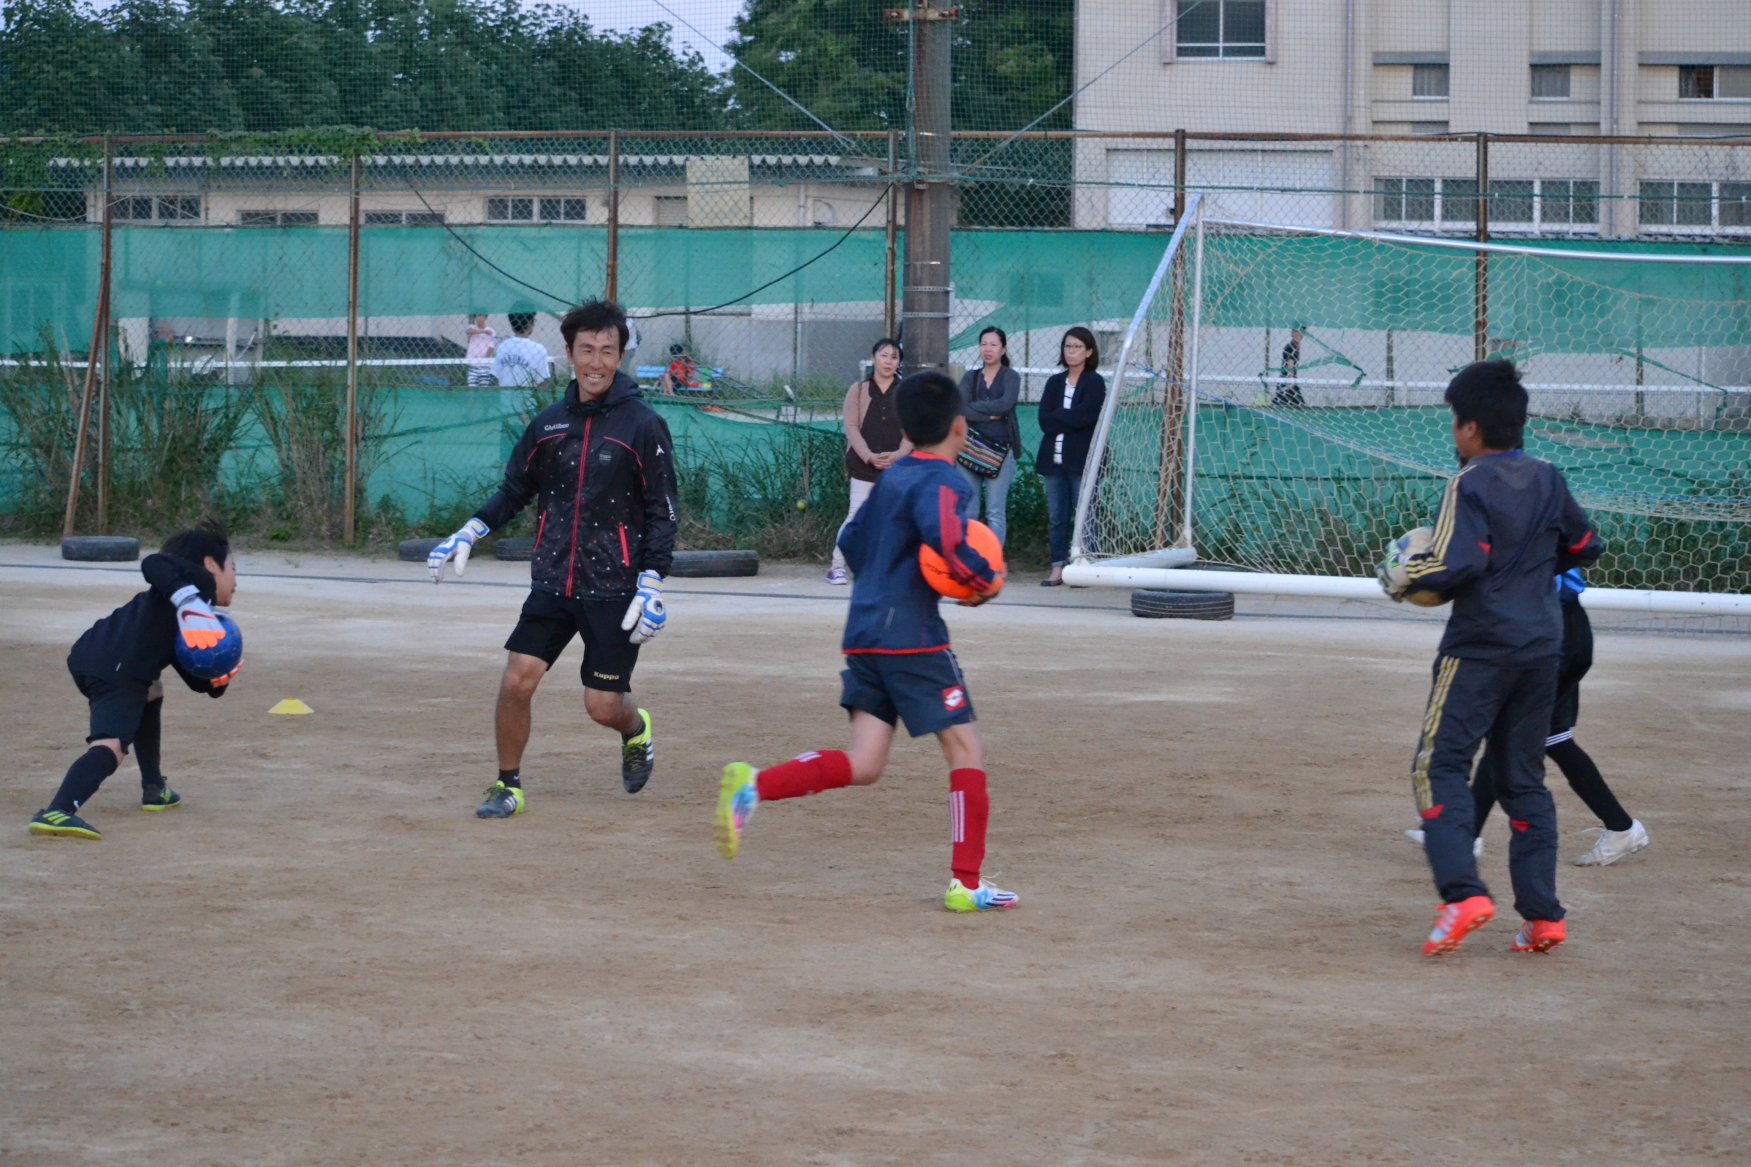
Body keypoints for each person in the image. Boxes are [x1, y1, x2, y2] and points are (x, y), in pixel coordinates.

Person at [713, 370, 1015, 912]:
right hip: (913, 640)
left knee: (865, 763)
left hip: (864, 633)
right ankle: (967, 884)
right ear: (960, 427)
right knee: (966, 749)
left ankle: (753, 786)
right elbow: (946, 543)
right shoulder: (947, 482)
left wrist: (888, 578)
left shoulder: (893, 477)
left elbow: (850, 541)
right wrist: (981, 580)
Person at [1381, 360, 1601, 957]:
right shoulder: (1549, 476)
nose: (1454, 434)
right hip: (1541, 647)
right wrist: (1528, 575)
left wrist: (1403, 576)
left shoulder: (1469, 482)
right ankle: (1542, 918)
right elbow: (1586, 544)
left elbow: (1457, 565)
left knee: (1438, 767)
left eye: (1455, 424)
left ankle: (1461, 895)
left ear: (1471, 428)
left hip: (1479, 649)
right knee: (1523, 778)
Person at [428, 300, 679, 819]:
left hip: (615, 588)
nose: (596, 361)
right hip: (552, 583)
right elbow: (515, 490)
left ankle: (636, 730)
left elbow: (663, 511)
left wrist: (652, 582)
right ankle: (507, 785)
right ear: (568, 354)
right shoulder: (547, 426)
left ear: (620, 356)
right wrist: (470, 530)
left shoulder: (643, 426)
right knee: (516, 680)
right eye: (586, 349)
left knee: (602, 706)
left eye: (607, 351)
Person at [1407, 568, 1649, 867]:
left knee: (1508, 734)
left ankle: (1465, 836)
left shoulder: (1523, 525)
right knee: (1547, 737)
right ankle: (1621, 827)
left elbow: (1531, 578)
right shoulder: (1532, 523)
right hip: (1556, 627)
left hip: (1545, 631)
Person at [28, 522, 242, 841]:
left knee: (153, 690)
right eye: (233, 569)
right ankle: (59, 810)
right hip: (117, 666)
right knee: (111, 745)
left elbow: (194, 676)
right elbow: (153, 562)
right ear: (211, 565)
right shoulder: (193, 589)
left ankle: (154, 788)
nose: (236, 582)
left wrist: (219, 677)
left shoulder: (190, 612)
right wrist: (189, 601)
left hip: (97, 653)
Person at [827, 338, 910, 586]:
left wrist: (897, 455)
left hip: (895, 466)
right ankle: (837, 566)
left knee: (892, 519)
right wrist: (868, 456)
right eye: (884, 355)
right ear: (873, 358)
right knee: (856, 516)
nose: (888, 361)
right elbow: (851, 426)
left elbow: (911, 432)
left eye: (894, 357)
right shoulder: (859, 389)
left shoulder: (905, 392)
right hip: (863, 465)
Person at [1036, 326, 1107, 587]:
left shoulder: (1095, 382)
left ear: (1089, 351)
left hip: (1082, 461)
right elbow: (1045, 420)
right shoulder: (1054, 382)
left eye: (1077, 347)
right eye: (1067, 346)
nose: (1071, 352)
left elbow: (1087, 416)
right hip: (1053, 462)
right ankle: (1058, 566)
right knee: (1057, 517)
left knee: (1086, 515)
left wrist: (1061, 418)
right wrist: (1068, 419)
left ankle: (1088, 564)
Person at [955, 325, 1023, 546]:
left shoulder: (1011, 377)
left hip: (1002, 452)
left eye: (993, 344)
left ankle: (992, 564)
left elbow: (1004, 405)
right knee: (968, 510)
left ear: (1003, 349)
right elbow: (959, 407)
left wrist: (975, 409)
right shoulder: (970, 377)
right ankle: (967, 561)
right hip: (969, 449)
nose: (988, 349)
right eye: (983, 344)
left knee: (995, 511)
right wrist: (987, 416)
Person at [490, 311, 553, 390]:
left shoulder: (503, 347)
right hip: (529, 400)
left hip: (505, 399)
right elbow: (543, 381)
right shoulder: (539, 349)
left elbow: (496, 376)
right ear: (530, 324)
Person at [1273, 326, 1305, 408]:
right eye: (1297, 332)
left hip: (1290, 381)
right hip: (1287, 381)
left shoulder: (1295, 347)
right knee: (1298, 405)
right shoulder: (1290, 348)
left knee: (1284, 405)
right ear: (1292, 334)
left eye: (1302, 332)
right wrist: (1289, 382)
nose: (1300, 335)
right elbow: (1290, 365)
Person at [465, 313, 497, 387]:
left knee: (483, 389)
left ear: (485, 317)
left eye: (481, 316)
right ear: (475, 317)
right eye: (477, 316)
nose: (479, 318)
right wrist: (483, 331)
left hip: (485, 366)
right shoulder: (471, 327)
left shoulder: (491, 331)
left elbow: (491, 347)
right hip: (472, 364)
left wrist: (484, 360)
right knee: (472, 389)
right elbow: (468, 332)